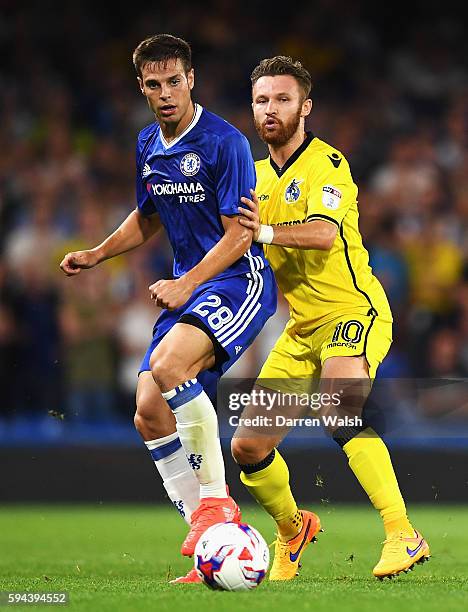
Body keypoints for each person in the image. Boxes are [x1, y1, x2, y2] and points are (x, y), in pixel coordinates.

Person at [60, 34, 276, 583]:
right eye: (153, 85)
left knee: (168, 367)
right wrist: (98, 253)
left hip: (233, 278)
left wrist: (187, 286)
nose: (164, 93)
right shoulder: (148, 144)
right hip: (190, 286)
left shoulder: (224, 142)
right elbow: (148, 215)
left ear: (191, 79)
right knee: (147, 408)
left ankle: (218, 502)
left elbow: (241, 236)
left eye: (173, 81)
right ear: (142, 87)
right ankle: (206, 535)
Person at [231, 56, 430, 580]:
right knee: (248, 446)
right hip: (301, 329)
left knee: (338, 411)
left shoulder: (328, 164)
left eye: (282, 99)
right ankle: (294, 528)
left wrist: (263, 234)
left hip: (353, 310)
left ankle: (402, 533)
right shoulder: (252, 179)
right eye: (261, 100)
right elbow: (232, 242)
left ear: (305, 106)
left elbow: (321, 233)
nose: (270, 109)